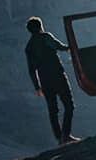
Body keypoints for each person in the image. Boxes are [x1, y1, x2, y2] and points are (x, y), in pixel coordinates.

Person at [24, 16, 79, 145]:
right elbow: (59, 46)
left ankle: (59, 138)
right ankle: (66, 135)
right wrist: (71, 46)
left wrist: (37, 87)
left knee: (53, 110)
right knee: (69, 105)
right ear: (40, 26)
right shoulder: (45, 37)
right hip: (57, 76)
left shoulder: (28, 47)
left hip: (44, 80)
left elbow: (31, 70)